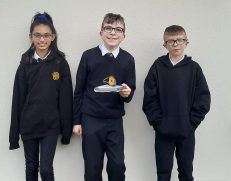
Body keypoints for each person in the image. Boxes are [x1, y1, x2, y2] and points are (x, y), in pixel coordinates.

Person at [9, 12, 73, 181]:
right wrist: (14, 136)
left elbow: (66, 100)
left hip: (50, 126)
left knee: (45, 169)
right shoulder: (25, 64)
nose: (42, 40)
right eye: (37, 35)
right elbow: (18, 100)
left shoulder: (60, 63)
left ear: (53, 37)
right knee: (31, 168)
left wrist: (66, 132)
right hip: (29, 125)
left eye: (46, 35)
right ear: (31, 37)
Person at [142, 25, 211, 181]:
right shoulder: (158, 66)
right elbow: (149, 98)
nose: (175, 45)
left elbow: (203, 98)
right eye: (171, 41)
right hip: (163, 131)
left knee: (186, 174)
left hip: (186, 131)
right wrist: (158, 122)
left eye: (179, 40)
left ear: (186, 42)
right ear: (165, 45)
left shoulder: (194, 69)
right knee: (163, 174)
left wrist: (192, 123)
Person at [73, 13, 136, 181]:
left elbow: (130, 92)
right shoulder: (88, 56)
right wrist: (76, 121)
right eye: (108, 28)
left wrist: (127, 94)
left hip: (114, 120)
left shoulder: (128, 60)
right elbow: (78, 91)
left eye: (118, 29)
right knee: (92, 167)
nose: (113, 33)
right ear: (101, 32)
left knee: (117, 165)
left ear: (124, 35)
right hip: (91, 119)